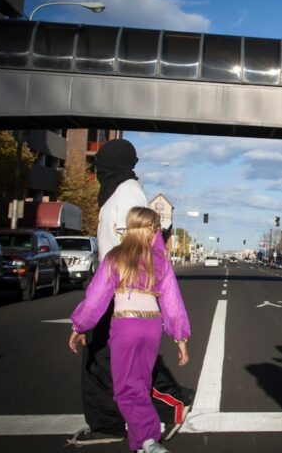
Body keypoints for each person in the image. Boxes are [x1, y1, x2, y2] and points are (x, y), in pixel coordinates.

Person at [68, 139, 192, 447]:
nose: (98, 168)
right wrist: (180, 335)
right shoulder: (118, 192)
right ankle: (113, 425)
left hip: (118, 299)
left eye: (101, 162)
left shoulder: (128, 192)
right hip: (145, 319)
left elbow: (98, 295)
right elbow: (172, 297)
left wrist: (80, 325)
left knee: (126, 378)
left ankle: (153, 425)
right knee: (118, 369)